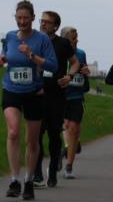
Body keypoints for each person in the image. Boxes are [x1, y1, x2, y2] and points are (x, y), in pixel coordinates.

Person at [0, 0, 57, 201]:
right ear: (15, 18)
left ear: (32, 18)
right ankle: (14, 180)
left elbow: (53, 66)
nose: (22, 21)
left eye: (26, 18)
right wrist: (1, 59)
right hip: (11, 89)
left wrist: (31, 55)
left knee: (32, 140)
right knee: (13, 132)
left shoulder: (42, 40)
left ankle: (29, 181)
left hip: (34, 92)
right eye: (19, 18)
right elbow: (5, 55)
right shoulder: (10, 37)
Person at [33, 11, 79, 188]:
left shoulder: (63, 43)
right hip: (36, 94)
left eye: (47, 22)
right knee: (35, 135)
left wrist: (69, 76)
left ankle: (52, 170)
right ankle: (37, 173)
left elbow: (74, 62)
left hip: (57, 96)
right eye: (41, 21)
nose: (43, 24)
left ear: (55, 26)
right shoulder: (34, 40)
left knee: (54, 135)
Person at [61, 27, 90, 179]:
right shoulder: (57, 51)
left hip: (76, 97)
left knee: (73, 130)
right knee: (64, 126)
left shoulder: (81, 53)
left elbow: (84, 72)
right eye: (73, 38)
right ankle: (62, 150)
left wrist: (85, 72)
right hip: (61, 97)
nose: (76, 40)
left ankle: (69, 166)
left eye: (77, 37)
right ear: (65, 39)